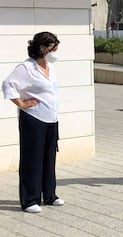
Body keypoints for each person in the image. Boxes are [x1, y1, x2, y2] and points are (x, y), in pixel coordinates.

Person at [2, 32, 64, 213]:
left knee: (49, 158)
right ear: (42, 47)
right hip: (34, 119)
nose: (56, 51)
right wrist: (21, 103)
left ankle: (50, 195)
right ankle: (30, 200)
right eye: (53, 47)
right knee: (32, 160)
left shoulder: (50, 67)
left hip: (51, 118)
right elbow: (8, 84)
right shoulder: (26, 68)